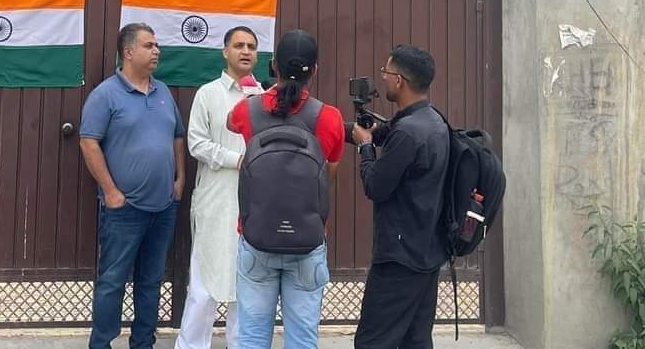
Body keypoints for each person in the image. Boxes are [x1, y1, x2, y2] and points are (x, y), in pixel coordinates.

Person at [226, 29, 345, 349]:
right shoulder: (330, 118)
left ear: (274, 66)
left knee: (251, 336)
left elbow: (228, 122)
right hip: (308, 239)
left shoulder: (247, 110)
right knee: (303, 339)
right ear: (315, 70)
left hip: (256, 237)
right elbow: (328, 175)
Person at [80, 22, 187, 349]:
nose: (157, 51)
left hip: (163, 206)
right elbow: (88, 142)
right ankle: (101, 343)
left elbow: (177, 136)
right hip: (124, 210)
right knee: (112, 281)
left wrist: (179, 179)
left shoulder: (163, 92)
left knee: (151, 282)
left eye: (157, 46)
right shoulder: (106, 94)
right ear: (128, 51)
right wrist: (111, 192)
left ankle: (143, 343)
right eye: (149, 46)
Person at [350, 45, 450, 349]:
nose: (382, 77)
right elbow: (394, 137)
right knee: (415, 340)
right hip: (426, 254)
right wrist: (373, 133)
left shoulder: (408, 132)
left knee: (372, 342)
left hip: (398, 260)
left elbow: (375, 187)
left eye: (386, 71)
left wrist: (365, 147)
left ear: (400, 81)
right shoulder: (433, 120)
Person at [176, 26, 264, 349]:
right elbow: (196, 143)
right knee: (204, 285)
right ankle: (190, 344)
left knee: (248, 286)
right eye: (238, 45)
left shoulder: (263, 98)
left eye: (251, 46)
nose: (245, 51)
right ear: (224, 52)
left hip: (254, 203)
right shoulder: (208, 93)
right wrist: (235, 159)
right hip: (215, 201)